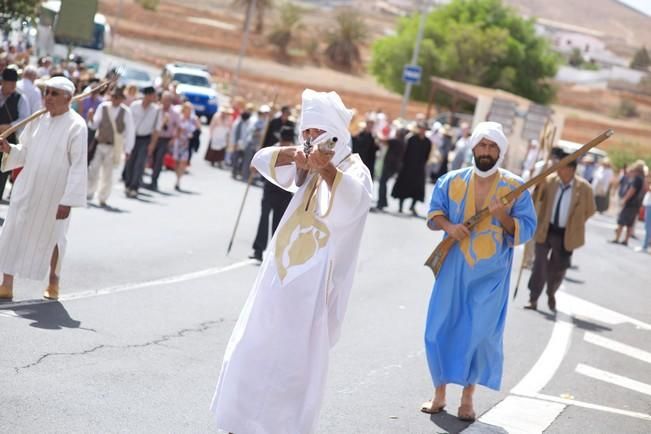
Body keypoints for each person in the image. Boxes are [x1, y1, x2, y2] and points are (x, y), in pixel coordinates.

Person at [211, 89, 372, 433]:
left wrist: (327, 170)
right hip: (279, 272)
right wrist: (295, 153)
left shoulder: (354, 169)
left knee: (294, 360)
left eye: (319, 132)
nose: (312, 139)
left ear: (337, 133)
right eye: (307, 132)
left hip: (315, 282)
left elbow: (354, 202)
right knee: (254, 343)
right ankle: (238, 420)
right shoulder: (306, 161)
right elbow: (261, 159)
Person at [421, 121, 536, 421]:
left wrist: (503, 217)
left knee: (479, 334)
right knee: (439, 330)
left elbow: (527, 228)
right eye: (482, 145)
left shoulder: (515, 187)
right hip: (452, 267)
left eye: (492, 146)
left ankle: (468, 398)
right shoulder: (450, 180)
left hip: (492, 274)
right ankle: (439, 393)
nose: (486, 151)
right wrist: (449, 227)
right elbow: (434, 213)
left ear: (500, 151)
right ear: (473, 147)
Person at [0, 77, 87, 301]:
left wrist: (68, 200)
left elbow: (78, 166)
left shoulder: (77, 126)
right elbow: (25, 152)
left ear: (68, 98)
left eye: (54, 93)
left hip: (55, 193)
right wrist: (9, 148)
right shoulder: (37, 120)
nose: (48, 97)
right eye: (46, 92)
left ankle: (53, 282)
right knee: (12, 230)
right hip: (27, 186)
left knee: (55, 237)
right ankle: (6, 283)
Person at [525, 150, 596, 312]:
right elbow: (536, 198)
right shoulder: (549, 181)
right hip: (546, 230)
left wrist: (577, 222)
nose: (558, 169)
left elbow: (590, 210)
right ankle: (533, 298)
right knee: (539, 265)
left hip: (566, 234)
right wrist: (538, 182)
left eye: (562, 166)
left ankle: (551, 292)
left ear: (571, 169)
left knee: (558, 269)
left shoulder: (584, 188)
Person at [249, 125, 295, 261]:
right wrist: (254, 167)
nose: (285, 143)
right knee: (264, 219)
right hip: (270, 189)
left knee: (278, 223)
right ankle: (259, 250)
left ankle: (274, 253)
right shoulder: (274, 150)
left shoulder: (294, 152)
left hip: (284, 192)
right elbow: (256, 166)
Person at [87, 86, 134, 207]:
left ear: (121, 99)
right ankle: (89, 192)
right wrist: (91, 118)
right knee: (93, 169)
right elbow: (94, 125)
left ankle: (103, 197)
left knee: (107, 173)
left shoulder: (126, 112)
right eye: (113, 96)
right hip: (100, 142)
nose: (114, 99)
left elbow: (129, 132)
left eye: (117, 97)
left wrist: (127, 149)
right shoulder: (103, 107)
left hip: (113, 147)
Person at [124, 86, 161, 198]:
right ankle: (128, 184)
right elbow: (127, 122)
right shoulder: (134, 106)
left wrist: (152, 144)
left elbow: (156, 129)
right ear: (147, 95)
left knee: (140, 163)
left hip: (145, 139)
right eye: (153, 95)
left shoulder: (156, 110)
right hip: (132, 136)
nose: (154, 97)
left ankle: (134, 186)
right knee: (130, 161)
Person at [0, 67, 30, 201]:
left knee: (1, 174)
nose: (13, 85)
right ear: (3, 82)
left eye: (14, 82)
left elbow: (25, 119)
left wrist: (9, 127)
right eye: (10, 82)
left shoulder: (20, 98)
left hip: (8, 142)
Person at [391, 121, 432, 216]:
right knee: (403, 186)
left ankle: (412, 206)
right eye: (421, 128)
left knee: (418, 188)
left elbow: (426, 156)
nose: (422, 130)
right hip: (407, 167)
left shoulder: (427, 142)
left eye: (424, 129)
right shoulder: (411, 139)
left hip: (419, 168)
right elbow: (404, 153)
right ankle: (400, 206)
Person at [611, 160, 647, 246]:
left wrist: (625, 199)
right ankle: (625, 240)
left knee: (621, 220)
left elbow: (632, 190)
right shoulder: (643, 179)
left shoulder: (637, 178)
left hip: (631, 202)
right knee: (630, 223)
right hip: (636, 204)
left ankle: (617, 238)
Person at [149, 91, 179, 190]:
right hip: (154, 137)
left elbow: (177, 127)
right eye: (164, 100)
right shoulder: (156, 110)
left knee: (159, 160)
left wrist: (173, 139)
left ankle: (154, 180)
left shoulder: (174, 113)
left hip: (165, 138)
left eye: (168, 100)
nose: (165, 102)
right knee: (150, 158)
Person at [376, 124, 407, 211]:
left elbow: (382, 140)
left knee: (382, 183)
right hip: (394, 166)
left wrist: (378, 132)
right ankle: (382, 202)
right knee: (383, 183)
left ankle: (381, 203)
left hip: (390, 165)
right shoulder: (402, 142)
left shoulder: (396, 141)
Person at [172, 102, 200, 191]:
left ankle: (178, 180)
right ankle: (177, 177)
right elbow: (175, 129)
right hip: (178, 142)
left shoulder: (193, 120)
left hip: (187, 144)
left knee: (183, 162)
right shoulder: (179, 118)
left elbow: (198, 130)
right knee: (176, 162)